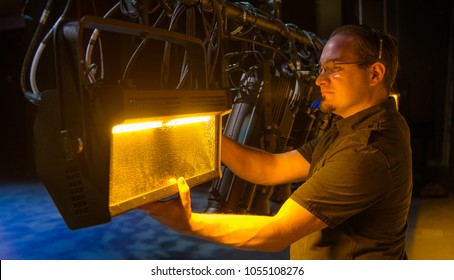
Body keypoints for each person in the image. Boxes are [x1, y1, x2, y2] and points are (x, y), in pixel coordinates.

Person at [140, 24, 413, 260]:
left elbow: (277, 233)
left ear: (375, 73)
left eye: (334, 68)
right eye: (321, 69)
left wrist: (189, 223)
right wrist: (204, 136)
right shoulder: (351, 126)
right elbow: (271, 167)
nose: (320, 80)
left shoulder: (367, 149)